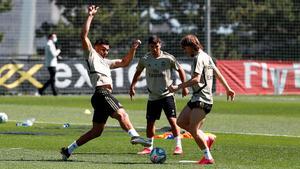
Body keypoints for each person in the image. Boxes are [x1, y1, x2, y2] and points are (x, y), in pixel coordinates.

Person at [60, 5, 151, 161]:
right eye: (103, 49)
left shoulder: (106, 62)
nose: (106, 52)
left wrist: (133, 49)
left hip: (100, 96)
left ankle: (68, 150)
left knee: (96, 131)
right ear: (96, 47)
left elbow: (124, 62)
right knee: (122, 113)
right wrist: (90, 15)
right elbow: (83, 35)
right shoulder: (91, 55)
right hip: (102, 93)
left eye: (107, 50)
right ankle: (134, 135)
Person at [168, 34, 235, 165]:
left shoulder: (198, 58)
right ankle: (206, 137)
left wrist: (178, 87)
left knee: (193, 129)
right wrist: (228, 88)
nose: (185, 51)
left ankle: (208, 157)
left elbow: (196, 79)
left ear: (190, 46)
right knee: (180, 122)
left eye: (185, 48)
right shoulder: (206, 56)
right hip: (196, 98)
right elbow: (217, 72)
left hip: (203, 99)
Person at [130, 35, 189, 155]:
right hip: (153, 97)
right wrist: (132, 85)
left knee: (173, 121)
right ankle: (149, 147)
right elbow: (138, 72)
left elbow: (180, 70)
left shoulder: (168, 58)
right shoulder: (145, 59)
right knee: (150, 123)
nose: (154, 49)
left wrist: (184, 87)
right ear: (149, 47)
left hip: (167, 95)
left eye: (156, 46)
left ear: (160, 45)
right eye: (152, 47)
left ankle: (178, 146)